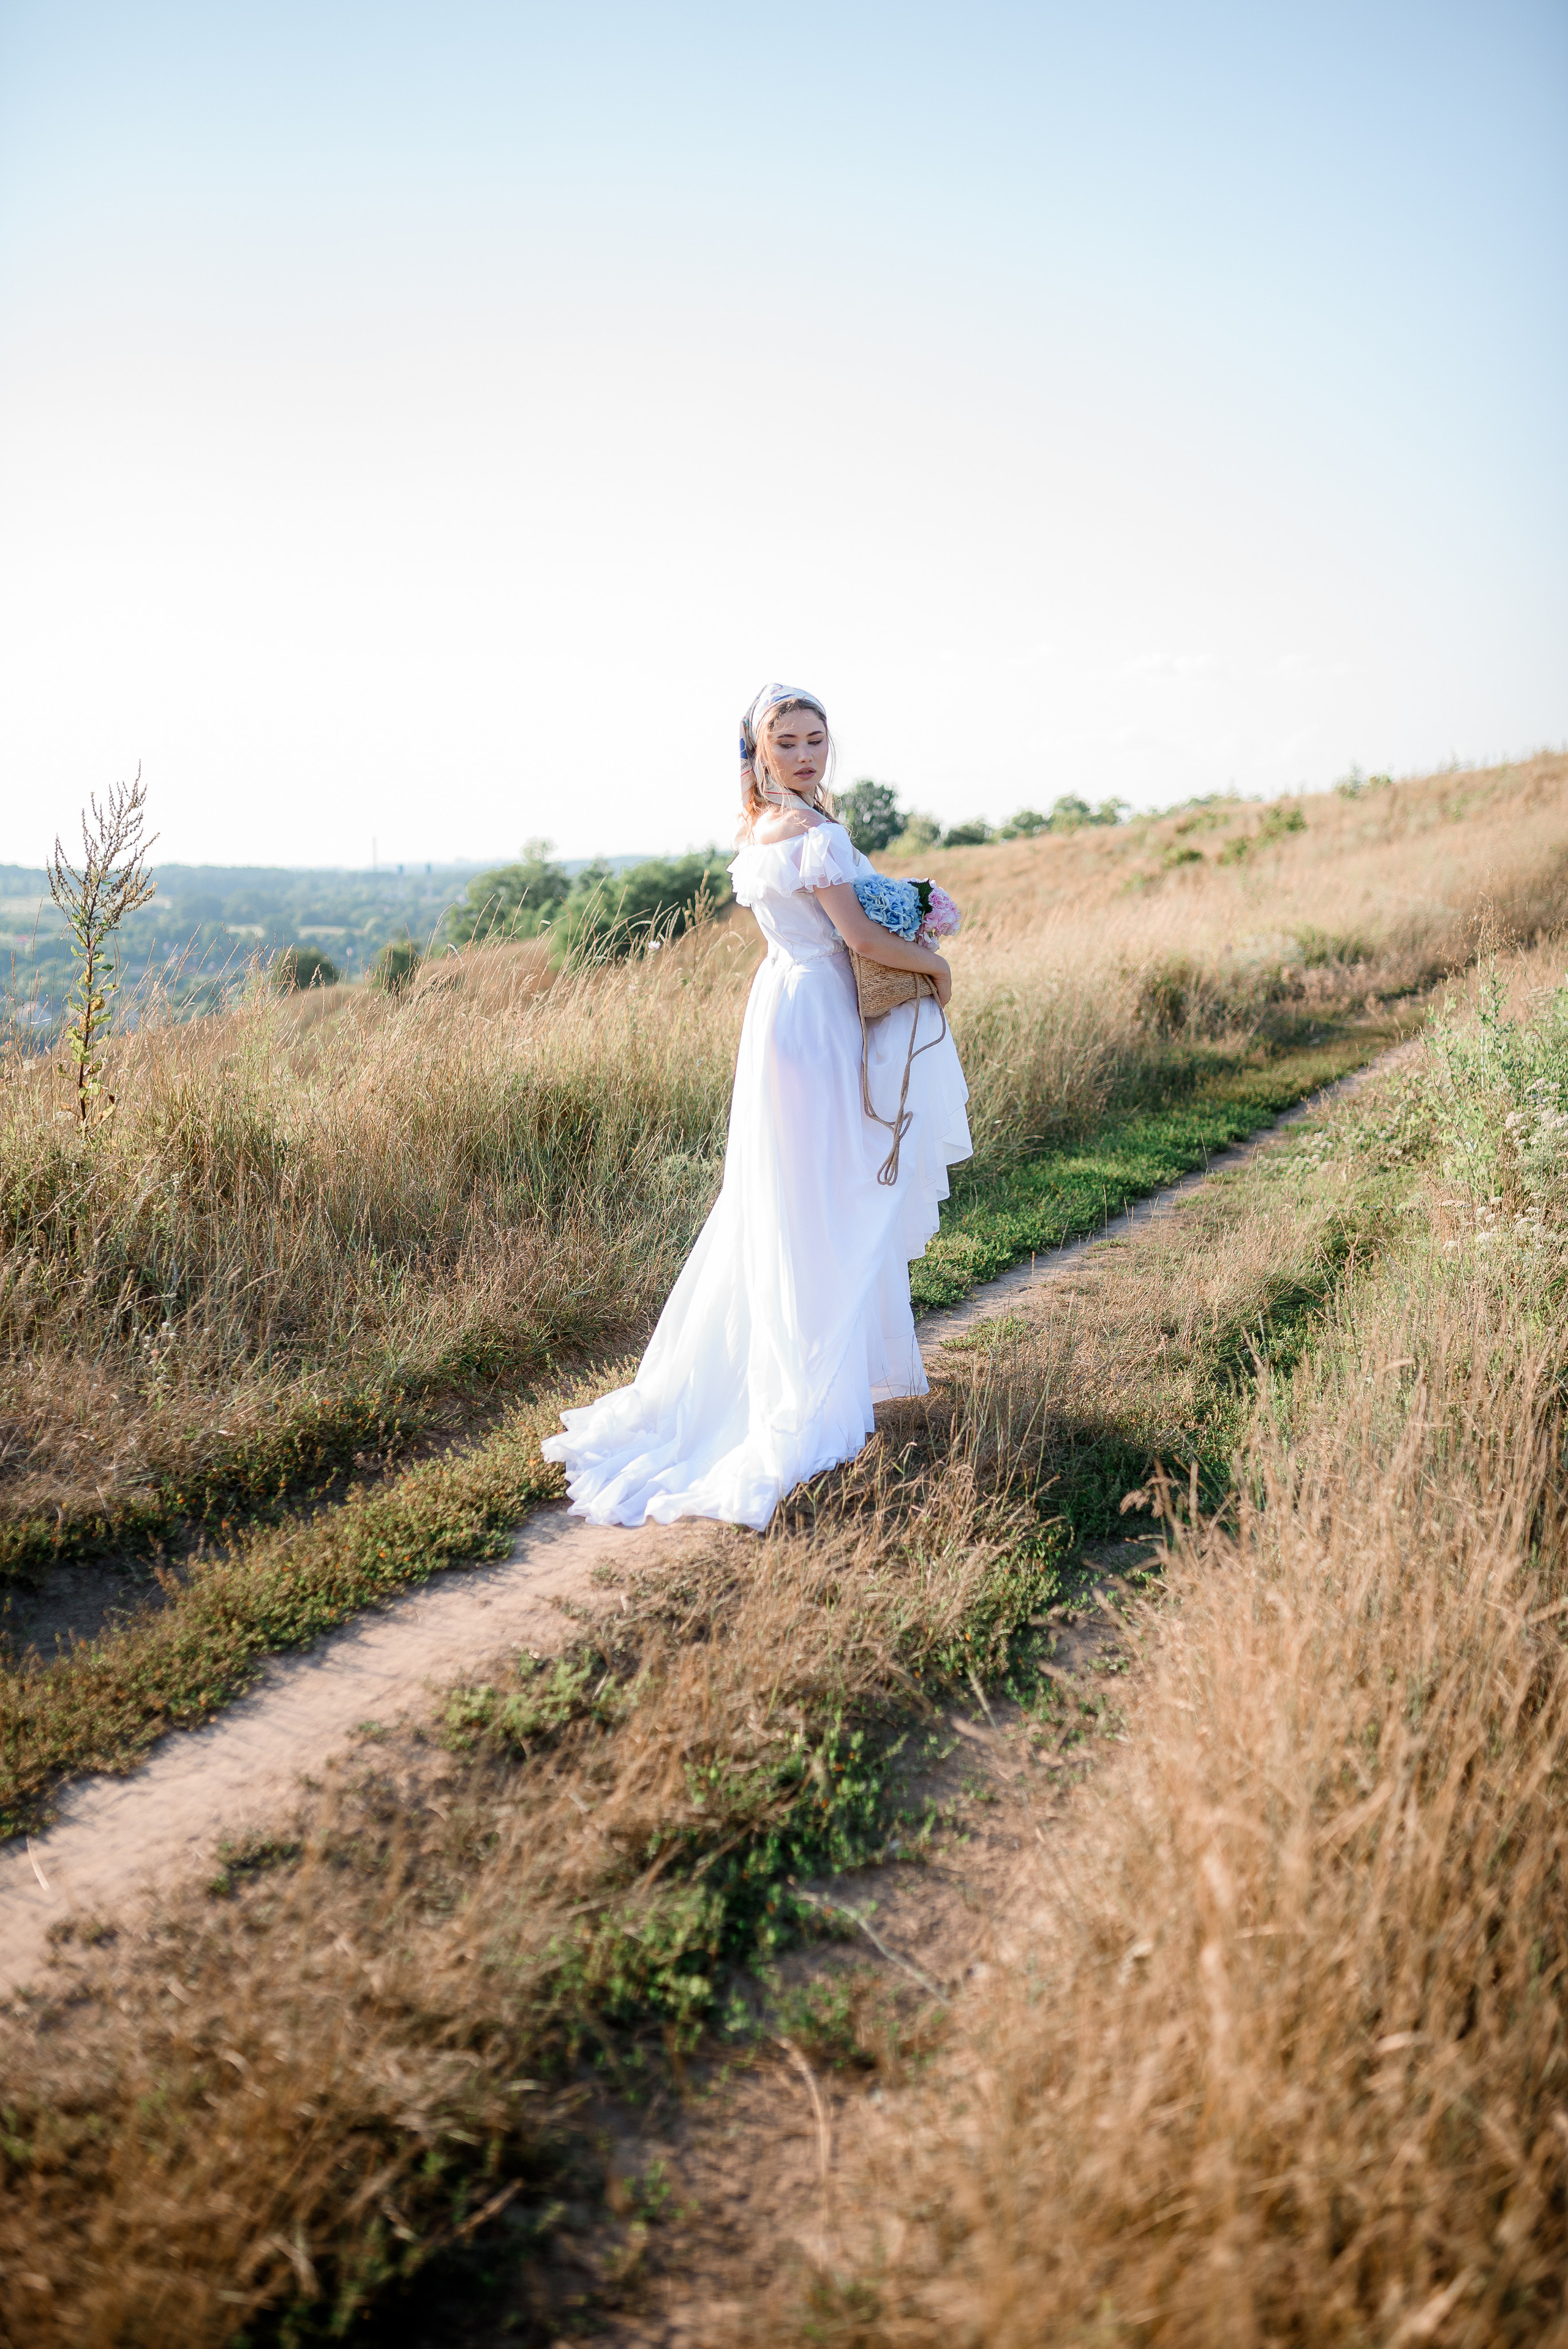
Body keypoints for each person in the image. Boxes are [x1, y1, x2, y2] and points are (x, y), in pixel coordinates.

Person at [541, 683, 973, 1529]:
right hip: (815, 1017)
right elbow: (856, 940)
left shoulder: (761, 830)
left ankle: (811, 1370)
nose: (807, 755)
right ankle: (805, 1391)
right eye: (789, 744)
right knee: (834, 1199)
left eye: (817, 740)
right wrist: (934, 966)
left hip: (781, 1007)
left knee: (791, 1200)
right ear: (761, 752)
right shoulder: (813, 833)